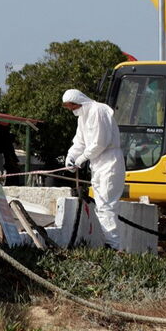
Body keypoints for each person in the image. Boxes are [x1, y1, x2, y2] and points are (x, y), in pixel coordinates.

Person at [61, 89, 126, 250]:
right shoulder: (83, 116)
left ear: (78, 102)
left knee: (106, 206)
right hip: (97, 165)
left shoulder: (98, 110)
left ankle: (114, 246)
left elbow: (100, 143)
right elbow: (80, 142)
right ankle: (111, 244)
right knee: (101, 205)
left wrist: (81, 159)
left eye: (72, 106)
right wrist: (71, 157)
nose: (72, 110)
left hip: (109, 162)